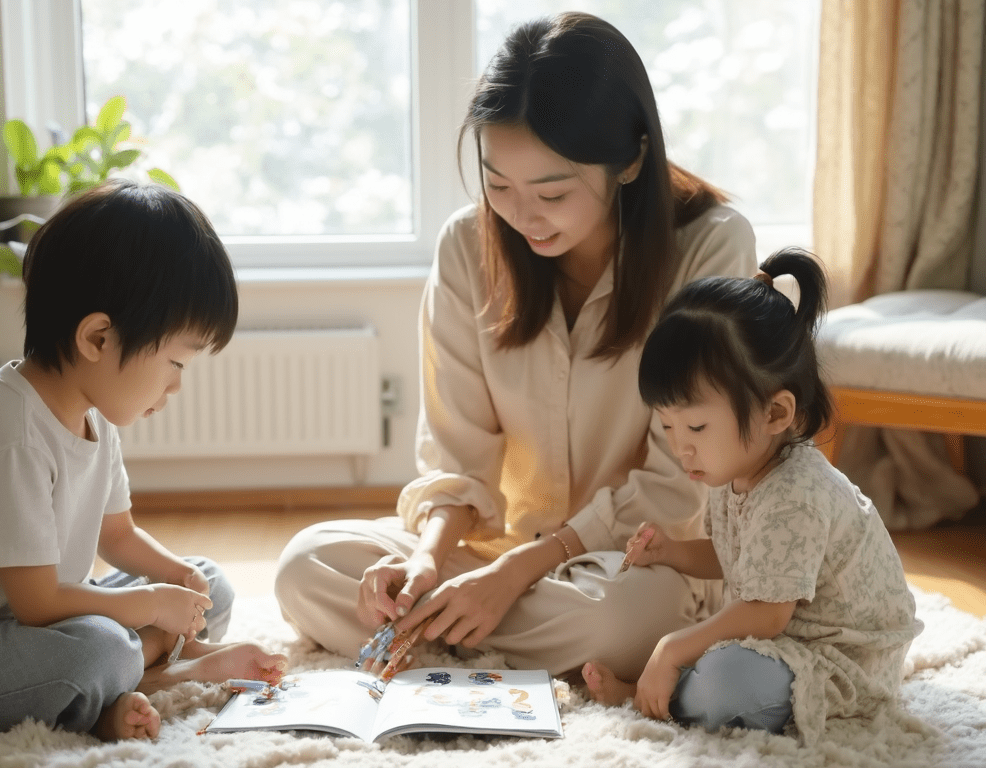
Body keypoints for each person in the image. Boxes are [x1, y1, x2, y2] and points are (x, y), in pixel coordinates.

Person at [275, 12, 757, 681]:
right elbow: (457, 454)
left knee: (618, 619)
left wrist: (516, 573)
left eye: (552, 192)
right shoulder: (465, 249)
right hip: (496, 551)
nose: (520, 215)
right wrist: (427, 561)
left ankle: (444, 633)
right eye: (498, 185)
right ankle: (457, 619)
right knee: (305, 565)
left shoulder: (711, 247)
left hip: (641, 562)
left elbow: (677, 489)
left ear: (633, 159)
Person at [0, 180, 286, 741]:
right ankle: (154, 670)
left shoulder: (91, 411)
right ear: (97, 337)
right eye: (176, 363)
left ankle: (146, 669)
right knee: (101, 648)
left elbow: (118, 536)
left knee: (208, 585)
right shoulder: (7, 434)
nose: (175, 387)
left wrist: (173, 578)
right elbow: (39, 604)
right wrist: (150, 604)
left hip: (39, 624)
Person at [582, 248, 922, 745]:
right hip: (778, 640)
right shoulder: (736, 467)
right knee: (710, 652)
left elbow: (767, 611)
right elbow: (738, 558)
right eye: (667, 425)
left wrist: (674, 649)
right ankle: (663, 686)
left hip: (838, 661)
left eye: (696, 425)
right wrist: (673, 552)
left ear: (775, 415)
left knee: (725, 683)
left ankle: (650, 692)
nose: (680, 447)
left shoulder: (796, 493)